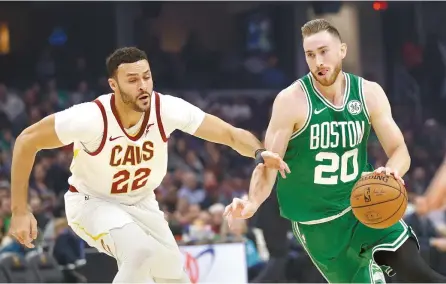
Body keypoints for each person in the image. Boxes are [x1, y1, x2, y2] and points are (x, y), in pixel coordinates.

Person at [8, 47, 290, 283]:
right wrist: (20, 210)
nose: (143, 85)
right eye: (132, 80)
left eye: (146, 77)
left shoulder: (165, 109)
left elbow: (228, 133)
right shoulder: (90, 118)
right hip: (92, 202)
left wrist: (259, 152)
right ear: (113, 85)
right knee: (139, 252)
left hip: (142, 203)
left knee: (174, 278)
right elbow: (26, 140)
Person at [224, 19, 446, 283]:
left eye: (324, 51)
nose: (318, 61)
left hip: (365, 205)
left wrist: (391, 171)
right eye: (310, 54)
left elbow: (400, 150)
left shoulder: (369, 93)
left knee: (419, 275)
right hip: (317, 225)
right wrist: (252, 202)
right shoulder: (291, 100)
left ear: (342, 50)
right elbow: (269, 164)